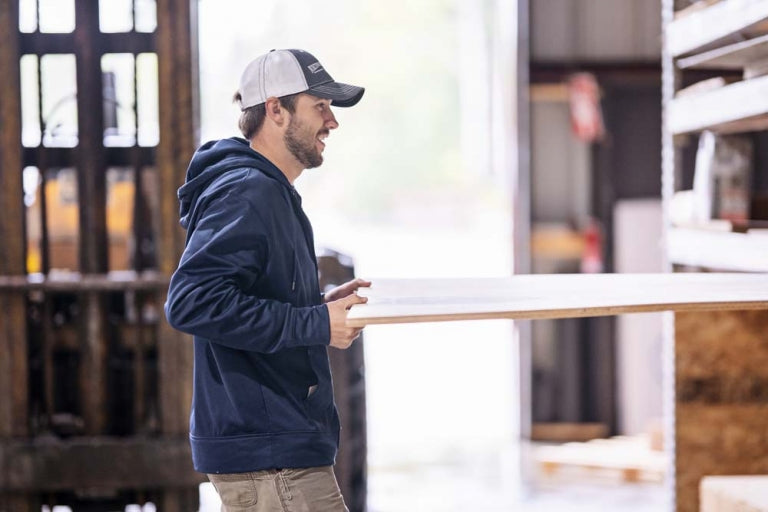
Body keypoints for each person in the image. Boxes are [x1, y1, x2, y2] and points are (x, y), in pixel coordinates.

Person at [165, 48, 370, 512]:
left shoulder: (270, 191)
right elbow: (191, 301)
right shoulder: (248, 190)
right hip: (272, 460)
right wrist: (314, 325)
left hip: (276, 452)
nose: (331, 122)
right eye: (319, 106)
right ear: (275, 110)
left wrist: (315, 306)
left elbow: (243, 296)